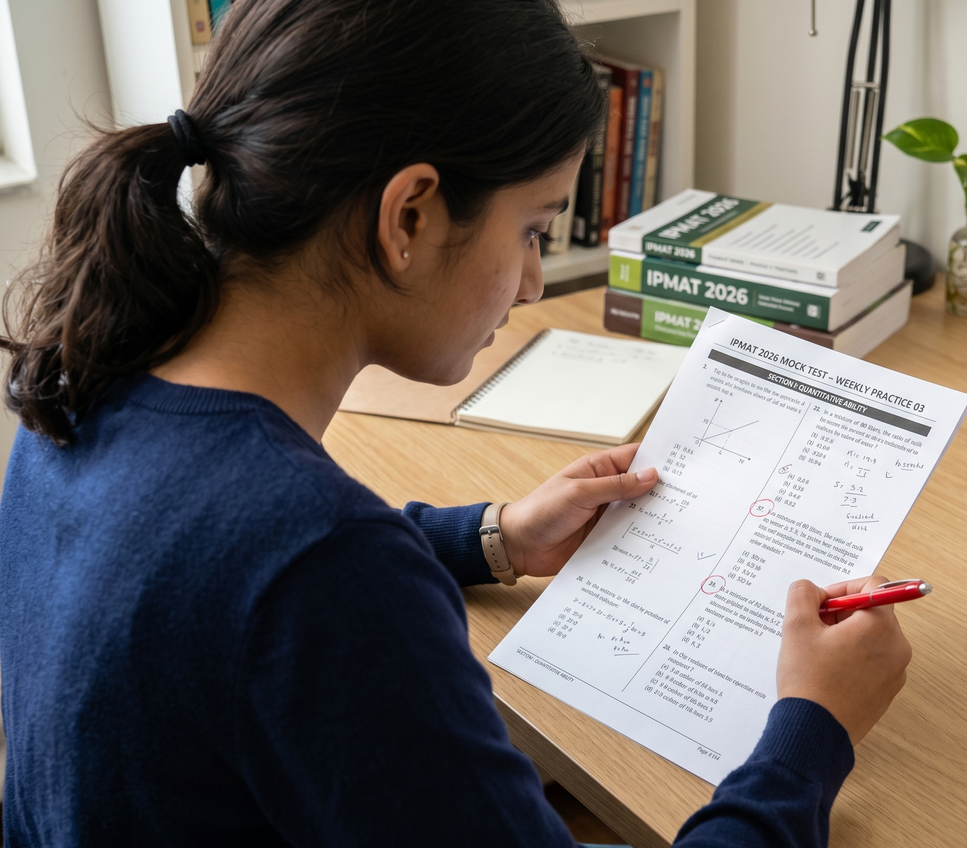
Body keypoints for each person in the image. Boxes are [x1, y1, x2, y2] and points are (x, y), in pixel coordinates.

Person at [0, 0, 912, 845]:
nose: (532, 283)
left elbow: (223, 579)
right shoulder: (325, 567)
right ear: (410, 215)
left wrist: (492, 537)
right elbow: (303, 579)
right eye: (532, 230)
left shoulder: (87, 374)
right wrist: (812, 728)